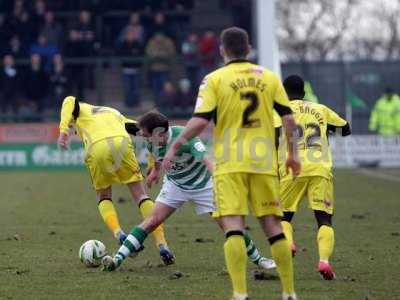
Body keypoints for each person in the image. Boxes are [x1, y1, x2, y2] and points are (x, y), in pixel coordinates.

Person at [165, 27, 300, 300]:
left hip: (230, 163)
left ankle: (240, 294)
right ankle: (289, 292)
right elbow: (288, 119)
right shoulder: (270, 78)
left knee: (234, 225)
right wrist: (293, 154)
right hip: (263, 162)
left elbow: (201, 120)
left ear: (222, 50)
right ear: (248, 48)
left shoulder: (214, 79)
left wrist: (176, 144)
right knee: (273, 226)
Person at [101, 111, 277, 271]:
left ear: (160, 133)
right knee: (152, 221)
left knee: (227, 226)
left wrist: (219, 178)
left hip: (204, 187)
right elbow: (158, 157)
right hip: (175, 186)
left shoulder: (187, 138)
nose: (145, 138)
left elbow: (207, 159)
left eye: (147, 135)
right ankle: (117, 260)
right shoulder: (151, 142)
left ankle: (259, 259)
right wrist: (155, 171)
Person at [57, 96, 174, 265]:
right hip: (122, 144)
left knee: (103, 196)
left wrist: (63, 131)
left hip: (97, 148)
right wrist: (152, 164)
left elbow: (68, 100)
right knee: (141, 195)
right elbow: (148, 134)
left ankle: (119, 233)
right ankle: (162, 244)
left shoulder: (81, 109)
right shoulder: (114, 113)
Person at [275, 75, 351, 280]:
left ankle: (289, 243)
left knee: (284, 216)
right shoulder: (320, 109)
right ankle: (324, 261)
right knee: (324, 218)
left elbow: (273, 138)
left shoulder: (278, 112)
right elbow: (346, 129)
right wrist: (327, 131)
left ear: (284, 92)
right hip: (320, 168)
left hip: (291, 167)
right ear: (304, 91)